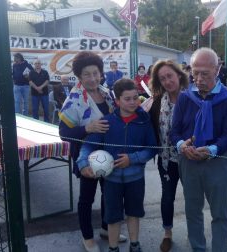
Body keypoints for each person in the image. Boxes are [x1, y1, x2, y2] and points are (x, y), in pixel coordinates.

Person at [77, 79, 157, 252]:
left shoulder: (144, 122)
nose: (133, 102)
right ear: (118, 101)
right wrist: (83, 162)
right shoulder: (107, 122)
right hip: (111, 181)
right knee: (112, 217)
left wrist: (133, 158)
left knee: (134, 213)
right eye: (127, 99)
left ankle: (134, 244)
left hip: (135, 179)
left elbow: (152, 148)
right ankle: (113, 248)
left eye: (135, 97)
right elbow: (88, 145)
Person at [171, 48, 227, 252]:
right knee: (192, 211)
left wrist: (211, 149)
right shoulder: (185, 97)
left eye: (204, 73)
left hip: (217, 162)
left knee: (220, 213)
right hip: (189, 161)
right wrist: (182, 145)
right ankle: (198, 248)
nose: (198, 78)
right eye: (195, 72)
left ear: (217, 70)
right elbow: (175, 131)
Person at [58, 52, 126, 252]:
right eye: (86, 74)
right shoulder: (74, 99)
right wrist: (88, 128)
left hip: (109, 154)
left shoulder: (107, 92)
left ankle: (106, 228)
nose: (92, 78)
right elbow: (63, 132)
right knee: (86, 198)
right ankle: (87, 237)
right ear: (79, 76)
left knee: (109, 193)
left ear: (101, 73)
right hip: (86, 158)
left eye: (95, 73)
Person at [148, 60, 189, 252]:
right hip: (166, 160)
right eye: (162, 78)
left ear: (179, 75)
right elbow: (147, 128)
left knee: (193, 198)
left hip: (190, 159)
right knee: (167, 197)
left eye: (170, 76)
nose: (167, 81)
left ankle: (194, 231)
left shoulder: (193, 98)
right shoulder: (156, 102)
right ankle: (167, 233)